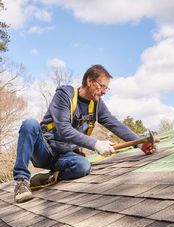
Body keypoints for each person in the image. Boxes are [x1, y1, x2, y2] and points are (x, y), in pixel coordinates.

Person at [13, 64, 156, 203]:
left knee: (83, 166)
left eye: (107, 88)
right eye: (102, 86)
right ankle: (21, 182)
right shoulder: (64, 95)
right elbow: (64, 129)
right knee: (29, 124)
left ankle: (52, 177)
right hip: (44, 150)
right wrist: (95, 144)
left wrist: (141, 143)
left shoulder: (97, 104)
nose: (104, 91)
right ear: (89, 81)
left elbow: (114, 123)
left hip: (64, 156)